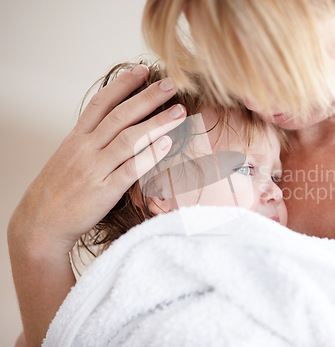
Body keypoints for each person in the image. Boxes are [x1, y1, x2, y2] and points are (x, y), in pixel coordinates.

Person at [8, 0, 335, 345]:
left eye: (281, 59)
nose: (258, 100)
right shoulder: (207, 128)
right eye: (231, 60)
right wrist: (34, 240)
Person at [76, 61, 287, 259]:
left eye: (275, 178)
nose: (276, 194)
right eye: (246, 169)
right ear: (161, 191)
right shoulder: (146, 273)